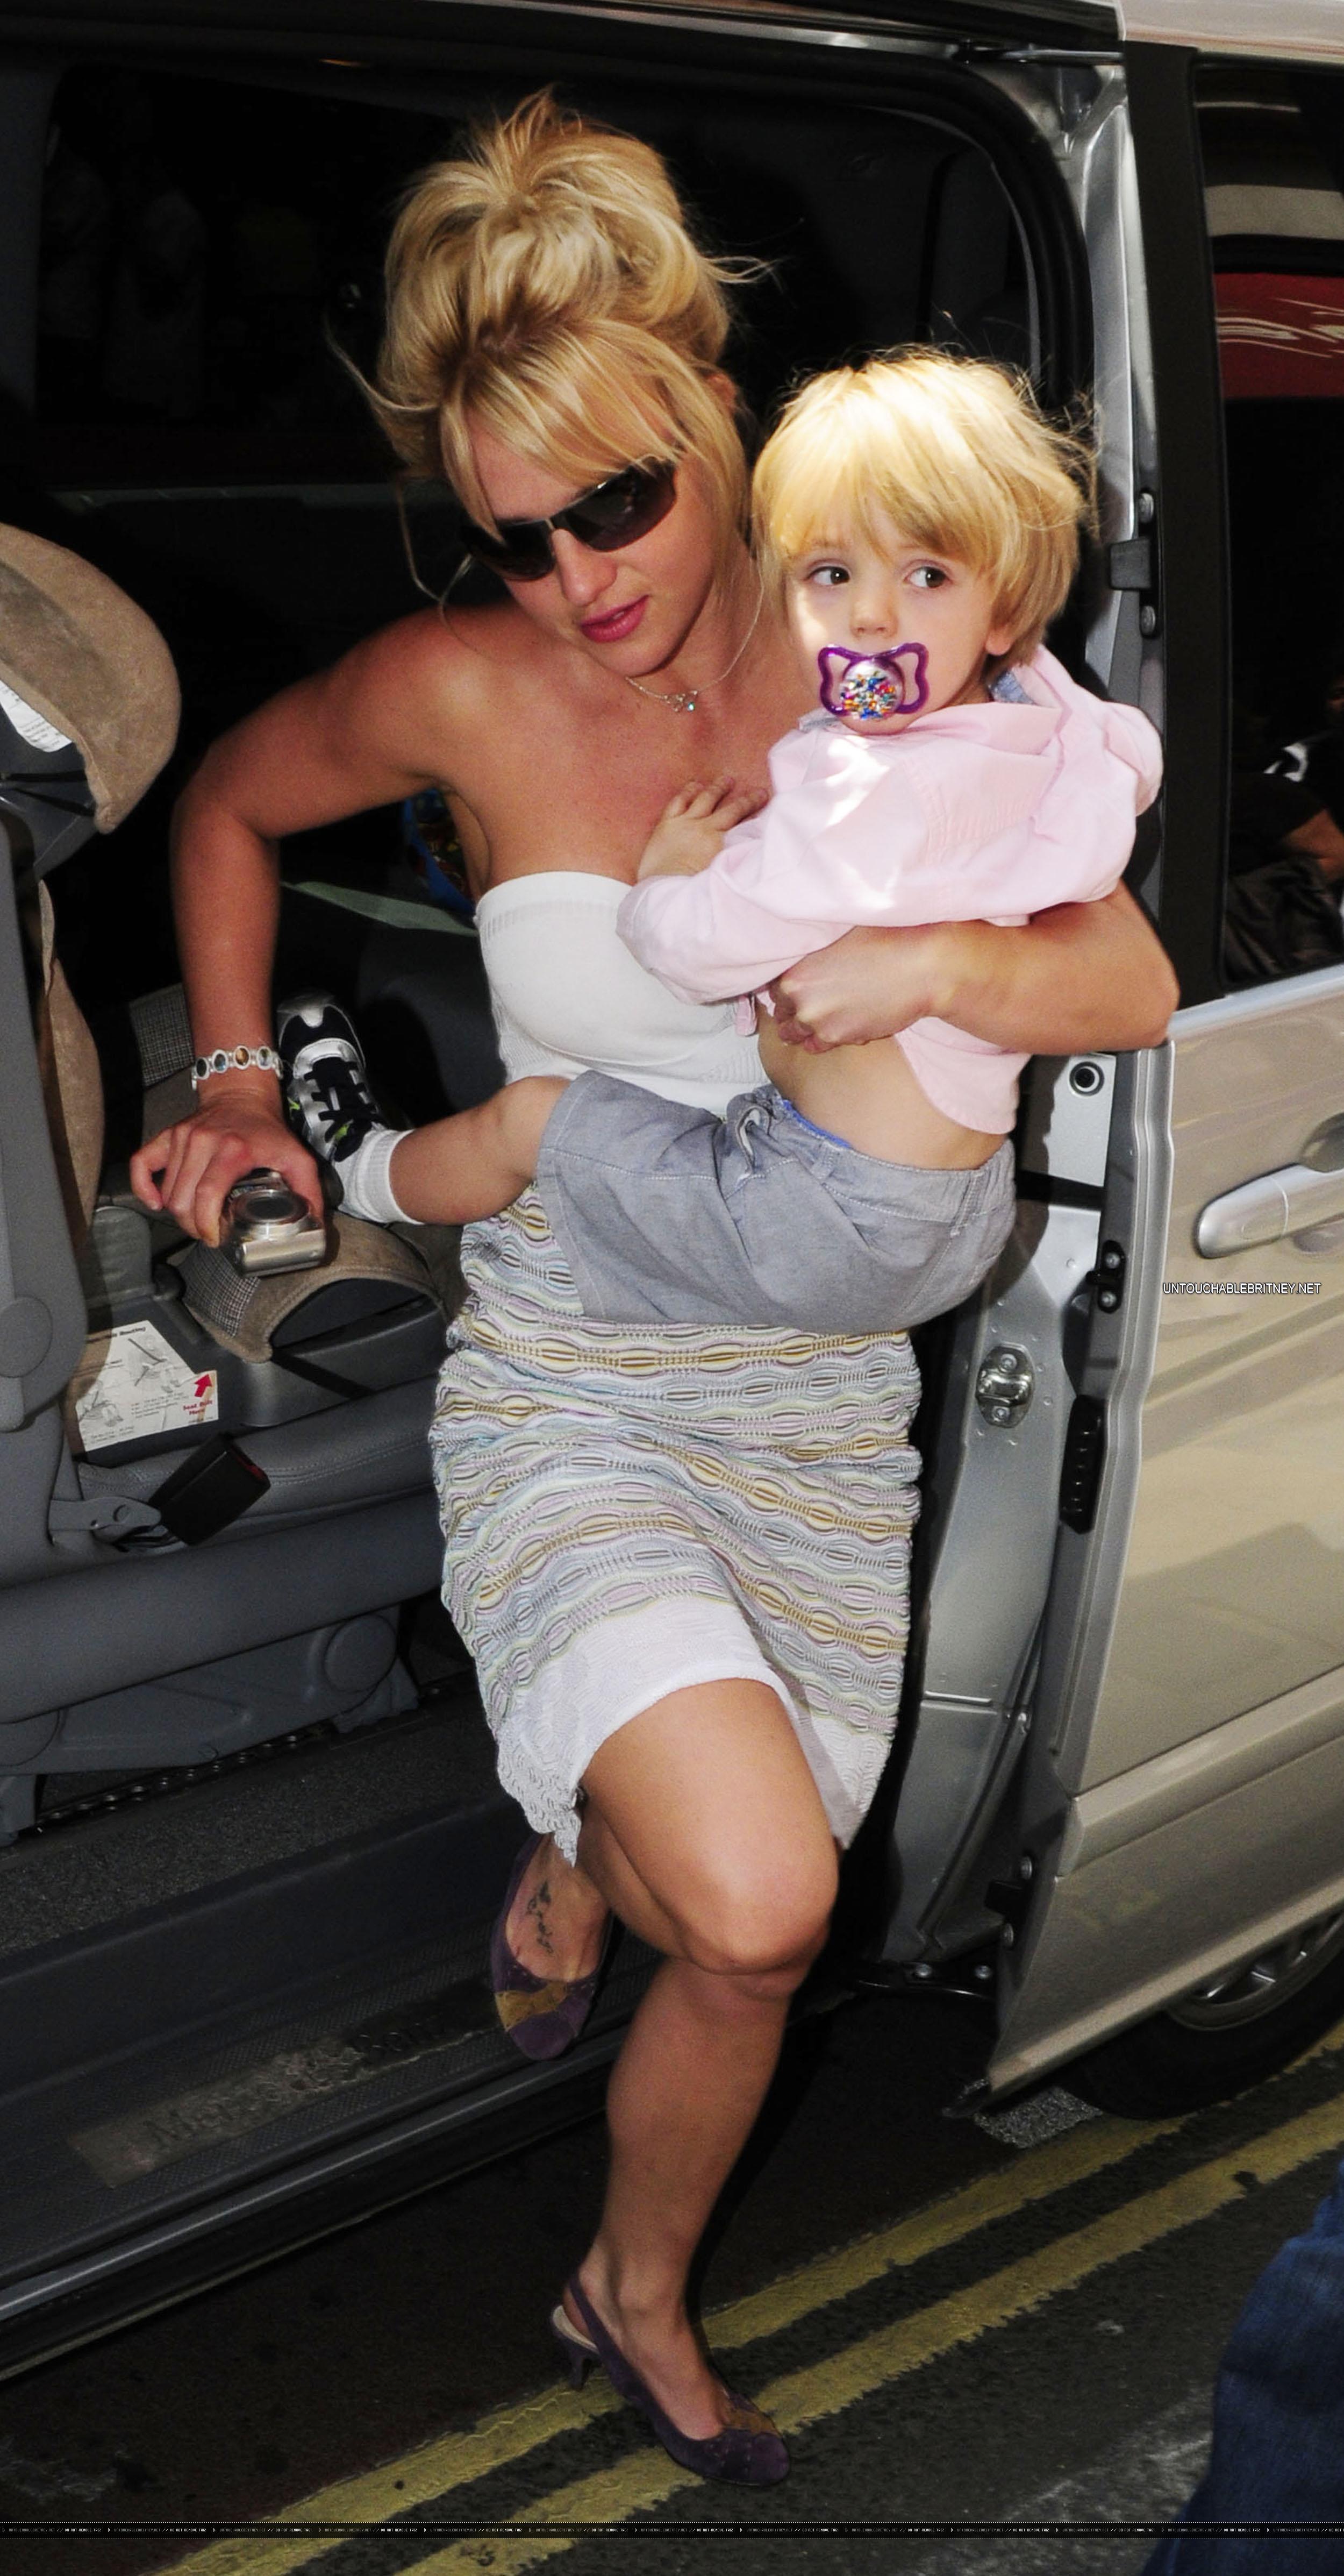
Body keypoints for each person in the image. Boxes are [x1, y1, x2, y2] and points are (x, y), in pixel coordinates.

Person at [130, 93, 1177, 2486]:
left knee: (750, 1938)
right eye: (513, 539)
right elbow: (226, 809)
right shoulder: (465, 691)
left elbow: (1116, 969)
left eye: (616, 505)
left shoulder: (884, 650)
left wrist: (929, 954)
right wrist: (237, 1077)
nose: (577, 581)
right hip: (578, 1374)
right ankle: (615, 1881)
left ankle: (627, 2271)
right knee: (770, 1890)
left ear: (718, 414)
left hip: (821, 1404)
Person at [289, 351, 1161, 1337]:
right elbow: (1105, 772)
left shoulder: (868, 793)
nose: (871, 615)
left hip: (826, 1214)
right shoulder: (1035, 735)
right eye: (832, 574)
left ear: (1005, 610)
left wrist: (669, 879)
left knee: (531, 1117)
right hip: (957, 1212)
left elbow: (698, 954)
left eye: (926, 575)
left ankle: (361, 1165)